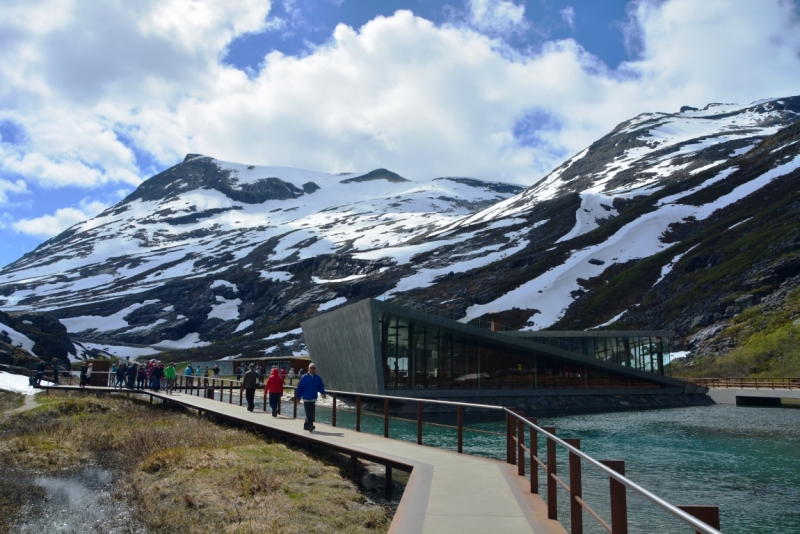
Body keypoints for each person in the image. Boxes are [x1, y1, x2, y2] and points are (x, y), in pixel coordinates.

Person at [295, 363, 326, 432]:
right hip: (306, 398)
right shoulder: (304, 377)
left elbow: (320, 386)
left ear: (315, 369)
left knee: (310, 412)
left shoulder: (317, 377)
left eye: (313, 368)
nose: (312, 369)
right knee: (308, 412)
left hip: (313, 398)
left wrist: (323, 393)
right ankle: (310, 426)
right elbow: (300, 388)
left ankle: (306, 426)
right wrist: (298, 397)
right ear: (308, 368)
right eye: (311, 368)